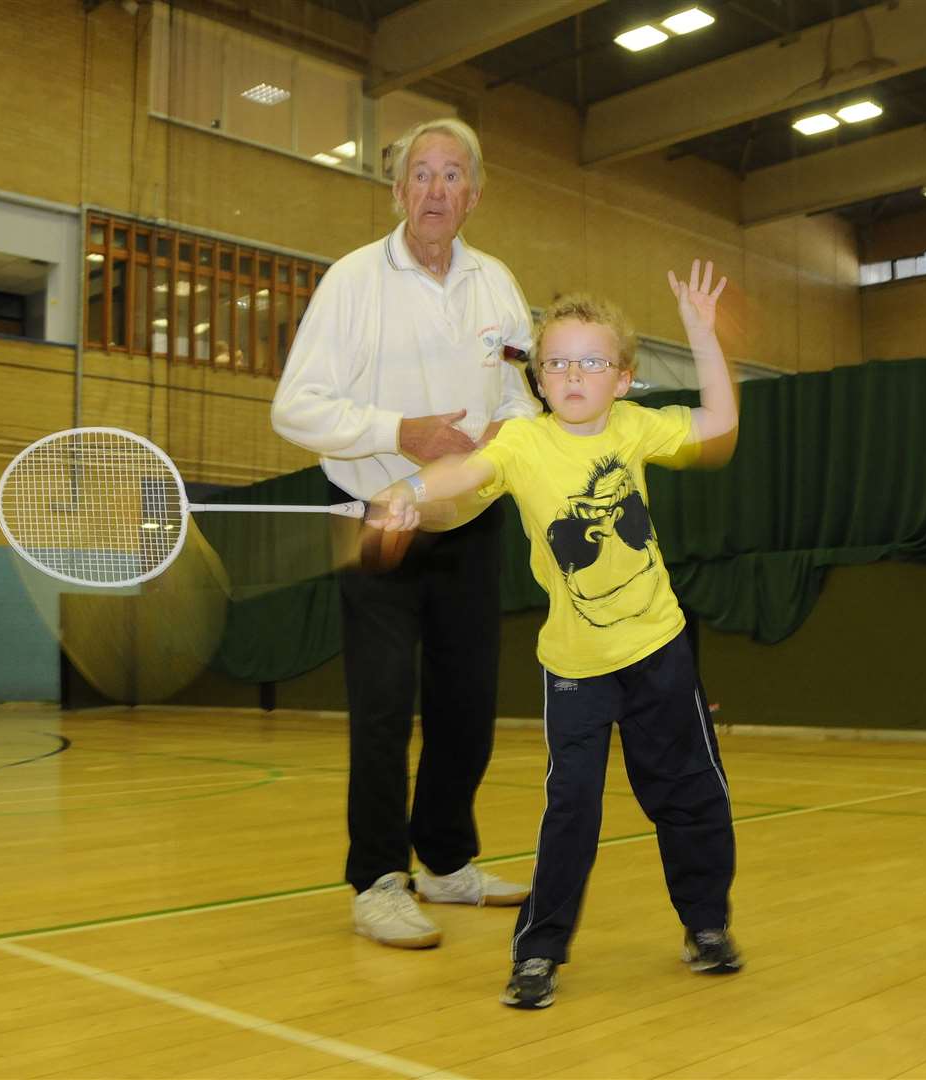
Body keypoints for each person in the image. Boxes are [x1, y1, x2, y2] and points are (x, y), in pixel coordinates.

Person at [371, 260, 741, 1009]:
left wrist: (702, 334)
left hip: (659, 652)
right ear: (538, 379)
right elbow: (461, 474)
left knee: (688, 794)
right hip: (575, 666)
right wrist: (407, 491)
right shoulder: (522, 446)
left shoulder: (637, 429)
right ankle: (539, 952)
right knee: (571, 807)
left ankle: (705, 925)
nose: (572, 373)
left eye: (591, 361)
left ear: (624, 378)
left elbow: (719, 427)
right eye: (558, 362)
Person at [270, 118, 538, 950]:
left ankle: (446, 862)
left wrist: (507, 437)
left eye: (451, 175)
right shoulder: (352, 282)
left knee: (469, 708)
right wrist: (400, 430)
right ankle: (377, 879)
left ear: (474, 195)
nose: (434, 189)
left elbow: (520, 398)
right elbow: (296, 407)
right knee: (384, 708)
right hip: (377, 524)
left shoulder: (498, 284)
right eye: (420, 174)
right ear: (396, 192)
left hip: (471, 525)